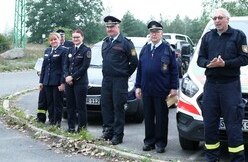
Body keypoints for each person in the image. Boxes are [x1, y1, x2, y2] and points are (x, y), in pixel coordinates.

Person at [196, 8, 248, 162]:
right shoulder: (208, 36)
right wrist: (208, 64)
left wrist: (225, 64)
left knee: (233, 124)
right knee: (210, 123)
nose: (217, 20)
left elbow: (244, 59)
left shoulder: (238, 36)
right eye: (214, 18)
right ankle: (211, 159)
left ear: (227, 19)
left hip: (230, 85)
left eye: (220, 17)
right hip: (211, 85)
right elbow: (200, 59)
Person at [135, 21, 178, 153]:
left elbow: (174, 71)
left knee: (161, 118)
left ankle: (160, 143)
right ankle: (149, 141)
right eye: (152, 32)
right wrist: (138, 86)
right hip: (147, 89)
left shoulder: (167, 49)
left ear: (161, 33)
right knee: (148, 117)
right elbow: (140, 69)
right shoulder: (145, 49)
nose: (154, 34)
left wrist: (174, 87)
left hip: (162, 90)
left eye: (157, 32)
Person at [100, 15, 138, 145]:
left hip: (119, 81)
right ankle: (108, 132)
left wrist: (125, 74)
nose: (110, 29)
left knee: (118, 107)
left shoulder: (126, 43)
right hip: (107, 80)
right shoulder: (105, 42)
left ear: (118, 27)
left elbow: (134, 62)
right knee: (106, 106)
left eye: (112, 26)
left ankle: (118, 135)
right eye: (108, 27)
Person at [63, 29, 91, 133]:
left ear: (82, 37)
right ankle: (71, 127)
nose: (75, 39)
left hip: (80, 82)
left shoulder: (86, 50)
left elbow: (84, 67)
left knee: (80, 107)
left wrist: (72, 77)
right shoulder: (69, 50)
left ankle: (82, 128)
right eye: (74, 37)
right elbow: (65, 65)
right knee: (70, 106)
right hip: (69, 82)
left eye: (77, 37)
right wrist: (67, 77)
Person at [38, 33, 67, 127]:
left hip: (57, 81)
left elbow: (64, 68)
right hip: (47, 81)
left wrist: (62, 83)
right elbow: (44, 67)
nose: (53, 41)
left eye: (55, 39)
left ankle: (57, 122)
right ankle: (51, 120)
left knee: (57, 103)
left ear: (59, 40)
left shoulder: (63, 51)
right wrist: (41, 81)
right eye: (51, 40)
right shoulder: (48, 50)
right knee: (50, 102)